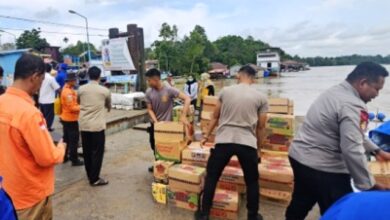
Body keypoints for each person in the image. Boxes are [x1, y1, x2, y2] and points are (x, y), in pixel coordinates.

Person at [286, 62, 390, 220]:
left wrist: (377, 151)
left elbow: (355, 134)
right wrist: (369, 185)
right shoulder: (352, 105)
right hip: (325, 168)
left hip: (300, 157)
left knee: (302, 199)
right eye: (376, 88)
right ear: (363, 83)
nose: (376, 94)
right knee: (341, 209)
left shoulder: (334, 92)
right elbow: (352, 148)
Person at [195, 65, 268, 220]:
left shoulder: (225, 91)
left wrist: (206, 136)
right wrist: (259, 149)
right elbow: (261, 127)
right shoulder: (261, 97)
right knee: (252, 181)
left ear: (238, 76)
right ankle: (253, 216)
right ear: (253, 79)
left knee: (212, 177)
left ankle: (204, 214)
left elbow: (215, 116)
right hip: (247, 143)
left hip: (224, 141)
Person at [0, 53, 66, 219]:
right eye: (42, 80)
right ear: (35, 77)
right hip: (29, 197)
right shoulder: (29, 114)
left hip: (6, 192)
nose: (40, 85)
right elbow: (47, 157)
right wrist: (61, 148)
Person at [145, 68, 191, 172]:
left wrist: (183, 116)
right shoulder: (148, 92)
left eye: (149, 80)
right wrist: (156, 123)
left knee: (168, 146)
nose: (148, 82)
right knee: (154, 145)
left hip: (168, 126)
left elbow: (187, 99)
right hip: (155, 125)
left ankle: (169, 166)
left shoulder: (169, 90)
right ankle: (159, 164)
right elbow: (149, 109)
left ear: (155, 79)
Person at [78, 66, 111, 186]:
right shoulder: (104, 91)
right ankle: (95, 178)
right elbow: (108, 105)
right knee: (97, 152)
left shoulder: (81, 89)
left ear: (88, 75)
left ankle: (89, 174)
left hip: (84, 125)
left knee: (87, 151)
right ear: (99, 76)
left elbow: (78, 102)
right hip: (97, 126)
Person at [60, 72, 84, 166]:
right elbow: (71, 107)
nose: (75, 81)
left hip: (66, 118)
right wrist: (83, 107)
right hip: (70, 119)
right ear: (70, 81)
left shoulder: (68, 89)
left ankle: (64, 156)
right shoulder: (67, 92)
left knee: (66, 139)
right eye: (74, 80)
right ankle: (74, 159)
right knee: (73, 140)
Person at [39, 63, 60, 131]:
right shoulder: (51, 78)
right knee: (49, 117)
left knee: (43, 116)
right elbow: (57, 88)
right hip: (49, 100)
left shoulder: (40, 76)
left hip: (41, 100)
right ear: (50, 69)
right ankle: (47, 129)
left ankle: (45, 128)